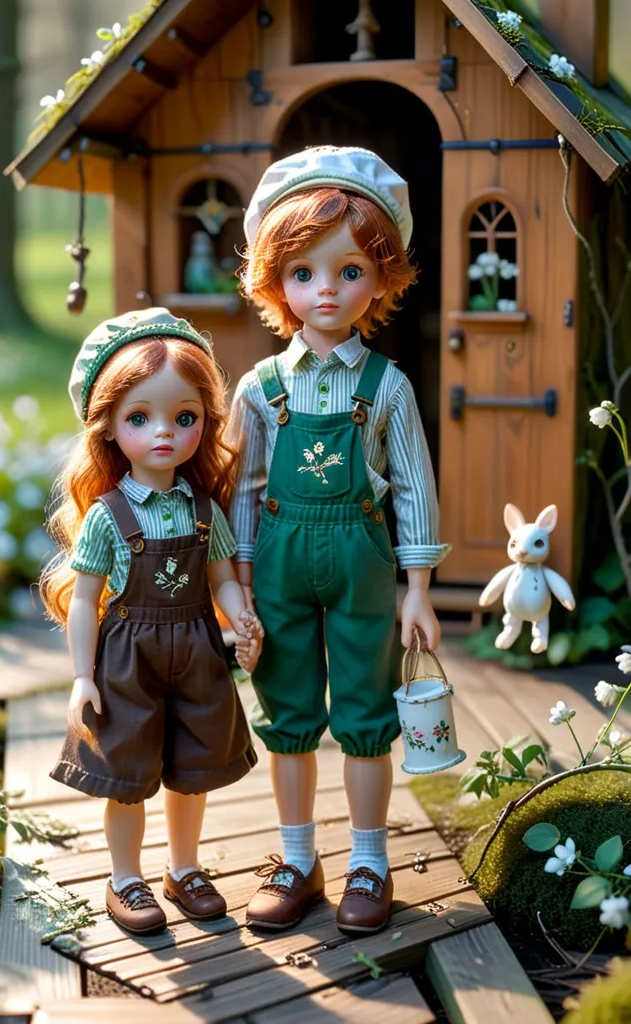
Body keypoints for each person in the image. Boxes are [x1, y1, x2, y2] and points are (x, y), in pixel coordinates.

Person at [228, 146, 450, 935]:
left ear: (382, 278)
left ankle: (369, 860)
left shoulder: (387, 386)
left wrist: (419, 588)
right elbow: (243, 493)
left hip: (361, 557)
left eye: (351, 270)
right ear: (274, 280)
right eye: (304, 272)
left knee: (364, 712)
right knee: (287, 713)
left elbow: (416, 486)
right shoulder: (258, 389)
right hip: (279, 561)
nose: (327, 289)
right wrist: (240, 584)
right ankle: (296, 856)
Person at [40, 308, 262, 936]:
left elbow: (221, 576)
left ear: (203, 421)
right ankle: (125, 878)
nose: (164, 433)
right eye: (140, 418)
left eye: (183, 417)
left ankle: (183, 869)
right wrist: (82, 677)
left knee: (193, 770)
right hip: (127, 657)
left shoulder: (201, 507)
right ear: (108, 426)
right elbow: (86, 599)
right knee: (127, 777)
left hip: (197, 649)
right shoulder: (109, 515)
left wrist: (241, 618)